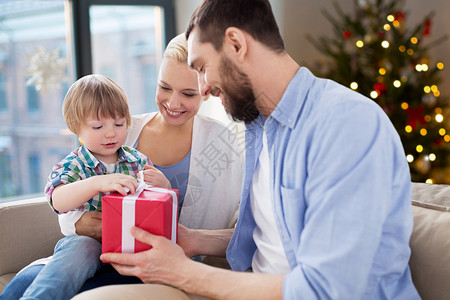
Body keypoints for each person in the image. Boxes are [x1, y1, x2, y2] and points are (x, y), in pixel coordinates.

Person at [72, 0, 421, 299]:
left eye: (202, 69)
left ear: (236, 44)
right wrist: (190, 240)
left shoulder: (345, 124)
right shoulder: (259, 128)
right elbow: (271, 240)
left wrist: (184, 273)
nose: (203, 88)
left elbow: (328, 288)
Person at [1, 34, 243, 298]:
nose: (173, 103)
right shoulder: (119, 130)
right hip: (91, 252)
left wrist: (166, 191)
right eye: (164, 87)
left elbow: (245, 229)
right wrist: (80, 223)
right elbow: (66, 203)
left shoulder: (224, 145)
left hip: (152, 263)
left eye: (188, 93)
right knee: (24, 284)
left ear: (206, 92)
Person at [11, 74, 171, 300]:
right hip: (88, 244)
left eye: (119, 124)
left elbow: (159, 202)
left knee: (172, 253)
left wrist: (164, 184)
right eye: (97, 126)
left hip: (131, 244)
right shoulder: (74, 164)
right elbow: (57, 199)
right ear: (75, 127)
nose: (110, 133)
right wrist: (96, 183)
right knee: (81, 249)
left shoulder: (137, 161)